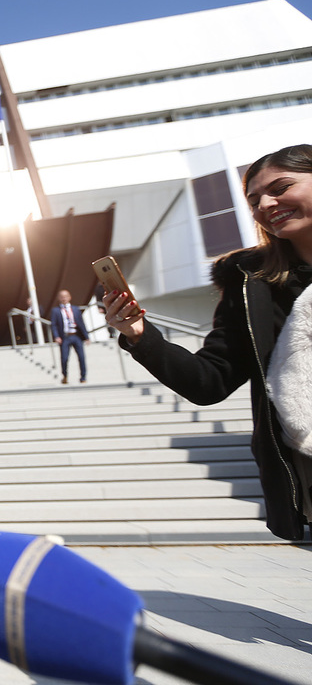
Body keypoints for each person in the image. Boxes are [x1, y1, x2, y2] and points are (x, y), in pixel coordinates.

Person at [105, 144, 312, 542]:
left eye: (281, 188)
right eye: (254, 200)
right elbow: (208, 381)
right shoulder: (252, 285)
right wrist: (139, 334)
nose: (266, 205)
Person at [50, 289, 89, 384]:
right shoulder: (55, 311)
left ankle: (83, 377)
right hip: (65, 337)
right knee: (64, 358)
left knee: (81, 357)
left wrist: (86, 337)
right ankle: (65, 375)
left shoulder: (75, 309)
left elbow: (81, 323)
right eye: (62, 297)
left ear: (69, 297)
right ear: (59, 298)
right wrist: (56, 336)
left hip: (76, 336)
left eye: (66, 296)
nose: (64, 298)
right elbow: (54, 325)